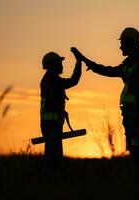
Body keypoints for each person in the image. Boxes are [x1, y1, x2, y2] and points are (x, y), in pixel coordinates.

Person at [71, 27, 139, 163]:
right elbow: (106, 70)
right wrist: (84, 59)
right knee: (134, 150)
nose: (120, 47)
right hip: (128, 116)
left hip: (138, 117)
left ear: (130, 44)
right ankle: (137, 180)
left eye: (122, 43)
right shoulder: (127, 66)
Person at [40, 49, 83, 178]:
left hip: (51, 123)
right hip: (52, 123)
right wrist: (79, 62)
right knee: (54, 156)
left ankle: (51, 180)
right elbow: (73, 81)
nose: (61, 65)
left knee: (53, 154)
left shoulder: (50, 80)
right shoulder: (52, 80)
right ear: (51, 65)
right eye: (59, 63)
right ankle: (51, 181)